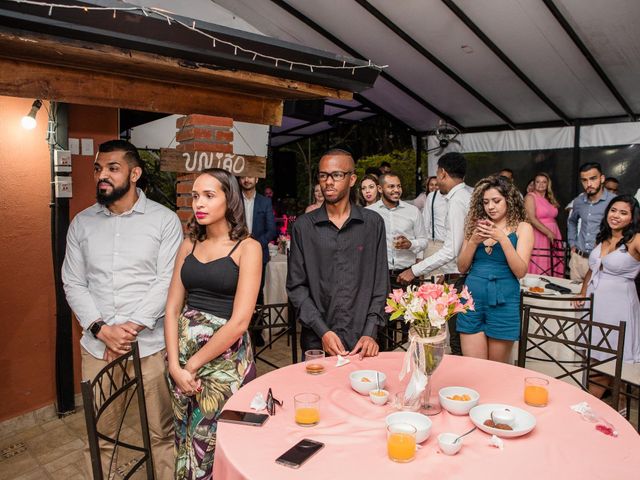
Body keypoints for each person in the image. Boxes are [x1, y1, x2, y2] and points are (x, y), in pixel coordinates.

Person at [62, 139, 182, 479]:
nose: (103, 175)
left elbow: (166, 281)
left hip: (150, 346)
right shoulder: (82, 223)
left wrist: (129, 329)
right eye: (99, 168)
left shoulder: (164, 221)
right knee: (99, 434)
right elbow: (73, 282)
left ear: (135, 173)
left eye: (113, 168)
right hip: (98, 348)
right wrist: (101, 329)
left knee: (160, 433)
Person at [165, 168, 262, 478]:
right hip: (181, 362)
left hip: (224, 361)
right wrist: (174, 366)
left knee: (216, 442)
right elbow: (171, 308)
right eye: (195, 196)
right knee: (185, 438)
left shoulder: (248, 248)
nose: (199, 203)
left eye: (209, 195)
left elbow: (240, 322)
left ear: (229, 199)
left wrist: (191, 365)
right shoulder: (188, 245)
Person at [287, 149, 389, 358]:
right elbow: (296, 287)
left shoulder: (373, 223)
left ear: (352, 179)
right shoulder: (303, 227)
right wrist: (322, 330)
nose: (328, 182)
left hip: (364, 341)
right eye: (323, 175)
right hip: (318, 340)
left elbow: (381, 283)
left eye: (336, 175)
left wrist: (371, 331)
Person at [397, 152, 473, 355]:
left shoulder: (457, 201)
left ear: (443, 173)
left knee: (457, 339)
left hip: (462, 277)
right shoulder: (467, 195)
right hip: (461, 273)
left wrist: (414, 270)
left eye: (438, 174)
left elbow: (452, 249)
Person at [456, 176, 533, 363]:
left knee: (496, 369)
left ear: (509, 200)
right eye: (485, 202)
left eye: (496, 201)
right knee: (474, 366)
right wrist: (473, 241)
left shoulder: (523, 228)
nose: (491, 206)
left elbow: (520, 271)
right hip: (471, 299)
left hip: (504, 301)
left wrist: (503, 239)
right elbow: (462, 267)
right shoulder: (475, 228)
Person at [576, 195, 640, 363]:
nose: (616, 216)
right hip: (594, 302)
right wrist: (582, 293)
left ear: (632, 218)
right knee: (590, 354)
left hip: (618, 306)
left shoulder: (636, 240)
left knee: (611, 356)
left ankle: (596, 388)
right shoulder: (604, 236)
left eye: (623, 213)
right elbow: (593, 269)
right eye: (613, 210)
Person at [367, 172, 427, 287]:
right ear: (380, 188)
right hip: (378, 276)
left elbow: (424, 241)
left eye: (399, 186)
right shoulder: (369, 212)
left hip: (405, 275)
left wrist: (410, 244)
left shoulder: (413, 211)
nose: (396, 190)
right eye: (391, 186)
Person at [238, 176, 277, 345]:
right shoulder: (233, 200)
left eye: (250, 176)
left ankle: (257, 334)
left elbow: (272, 230)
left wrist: (254, 245)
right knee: (235, 293)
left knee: (257, 295)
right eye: (243, 176)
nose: (247, 180)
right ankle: (238, 333)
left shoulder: (264, 202)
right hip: (235, 254)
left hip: (259, 255)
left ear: (257, 179)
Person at [567, 163, 614, 281]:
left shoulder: (613, 201)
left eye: (593, 179)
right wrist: (572, 243)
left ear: (602, 178)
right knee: (575, 297)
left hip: (601, 260)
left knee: (597, 298)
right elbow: (572, 221)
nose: (589, 184)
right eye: (584, 180)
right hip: (578, 259)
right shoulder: (579, 201)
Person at [525, 172, 564, 277]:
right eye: (538, 181)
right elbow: (531, 218)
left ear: (548, 184)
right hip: (539, 235)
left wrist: (553, 232)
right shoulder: (530, 197)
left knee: (553, 262)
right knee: (540, 261)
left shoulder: (549, 198)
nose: (540, 184)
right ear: (534, 183)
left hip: (553, 233)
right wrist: (548, 232)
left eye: (544, 182)